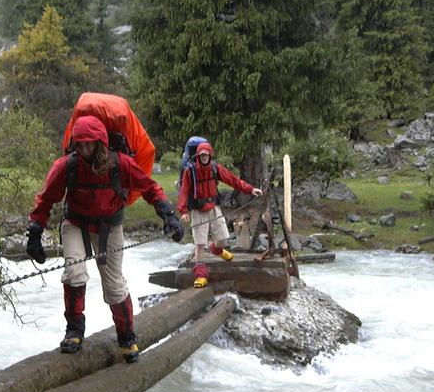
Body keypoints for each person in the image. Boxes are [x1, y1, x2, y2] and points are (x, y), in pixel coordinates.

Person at [25, 115, 185, 363]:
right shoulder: (66, 166)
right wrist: (35, 232)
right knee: (74, 273)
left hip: (110, 225)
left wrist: (168, 216)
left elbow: (149, 188)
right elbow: (46, 199)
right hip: (75, 223)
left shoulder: (120, 163)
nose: (85, 149)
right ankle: (75, 332)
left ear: (101, 143)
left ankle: (126, 338)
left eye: (89, 144)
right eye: (80, 144)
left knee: (113, 286)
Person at [177, 142, 262, 288]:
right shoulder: (190, 171)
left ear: (210, 156)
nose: (204, 158)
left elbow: (233, 180)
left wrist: (250, 189)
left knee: (223, 237)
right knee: (199, 243)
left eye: (207, 155)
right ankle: (201, 274)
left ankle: (216, 249)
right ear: (198, 155)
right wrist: (183, 210)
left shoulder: (215, 168)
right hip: (198, 210)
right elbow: (184, 190)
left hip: (214, 208)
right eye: (202, 155)